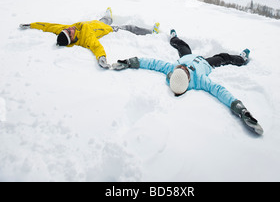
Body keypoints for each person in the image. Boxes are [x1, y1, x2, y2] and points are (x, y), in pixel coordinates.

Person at [112, 30, 263, 135]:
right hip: (205, 62)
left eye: (180, 67)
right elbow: (220, 91)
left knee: (183, 47)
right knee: (223, 57)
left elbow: (152, 63)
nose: (182, 67)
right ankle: (241, 59)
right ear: (188, 78)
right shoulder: (200, 80)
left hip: (188, 55)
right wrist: (241, 110)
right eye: (183, 69)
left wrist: (130, 62)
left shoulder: (173, 68)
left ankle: (173, 38)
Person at [19, 8, 160, 69]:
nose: (70, 29)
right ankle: (151, 32)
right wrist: (102, 58)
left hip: (98, 22)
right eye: (70, 32)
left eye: (67, 29)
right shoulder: (86, 38)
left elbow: (48, 26)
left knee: (106, 18)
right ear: (73, 40)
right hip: (108, 29)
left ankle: (108, 13)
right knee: (130, 28)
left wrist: (31, 25)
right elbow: (96, 47)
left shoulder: (67, 28)